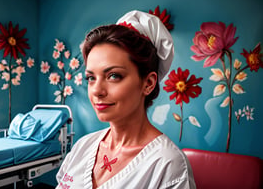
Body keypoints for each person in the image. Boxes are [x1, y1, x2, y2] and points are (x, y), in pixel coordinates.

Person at [55, 10, 196, 189]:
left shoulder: (168, 166)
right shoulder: (82, 147)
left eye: (113, 76)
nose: (97, 90)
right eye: (91, 77)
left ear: (148, 83)